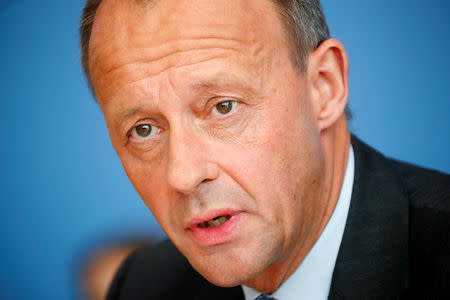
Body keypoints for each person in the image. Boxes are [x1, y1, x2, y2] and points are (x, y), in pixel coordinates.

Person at [79, 0, 450, 299]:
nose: (184, 174)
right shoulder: (144, 286)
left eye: (223, 106)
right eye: (144, 130)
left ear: (325, 87)